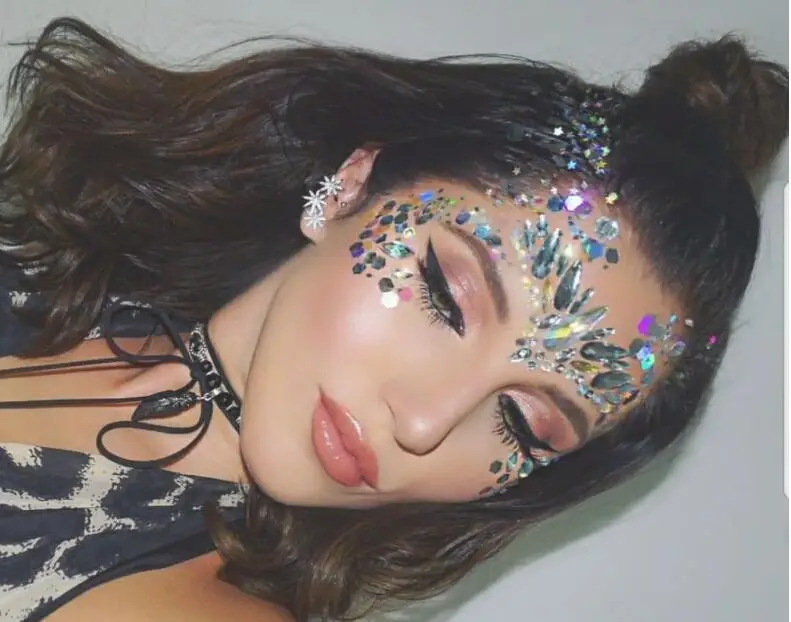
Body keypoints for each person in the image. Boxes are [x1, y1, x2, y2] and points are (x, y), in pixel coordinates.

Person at [0, 16, 786, 622]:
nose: (421, 423)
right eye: (445, 296)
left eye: (522, 424)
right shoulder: (46, 268)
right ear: (352, 183)